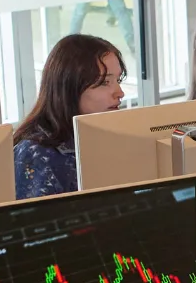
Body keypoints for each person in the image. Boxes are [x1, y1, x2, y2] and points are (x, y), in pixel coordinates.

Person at [12, 34, 126, 199]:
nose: (120, 93)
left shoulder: (110, 136)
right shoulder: (37, 154)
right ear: (70, 87)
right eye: (104, 83)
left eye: (118, 80)